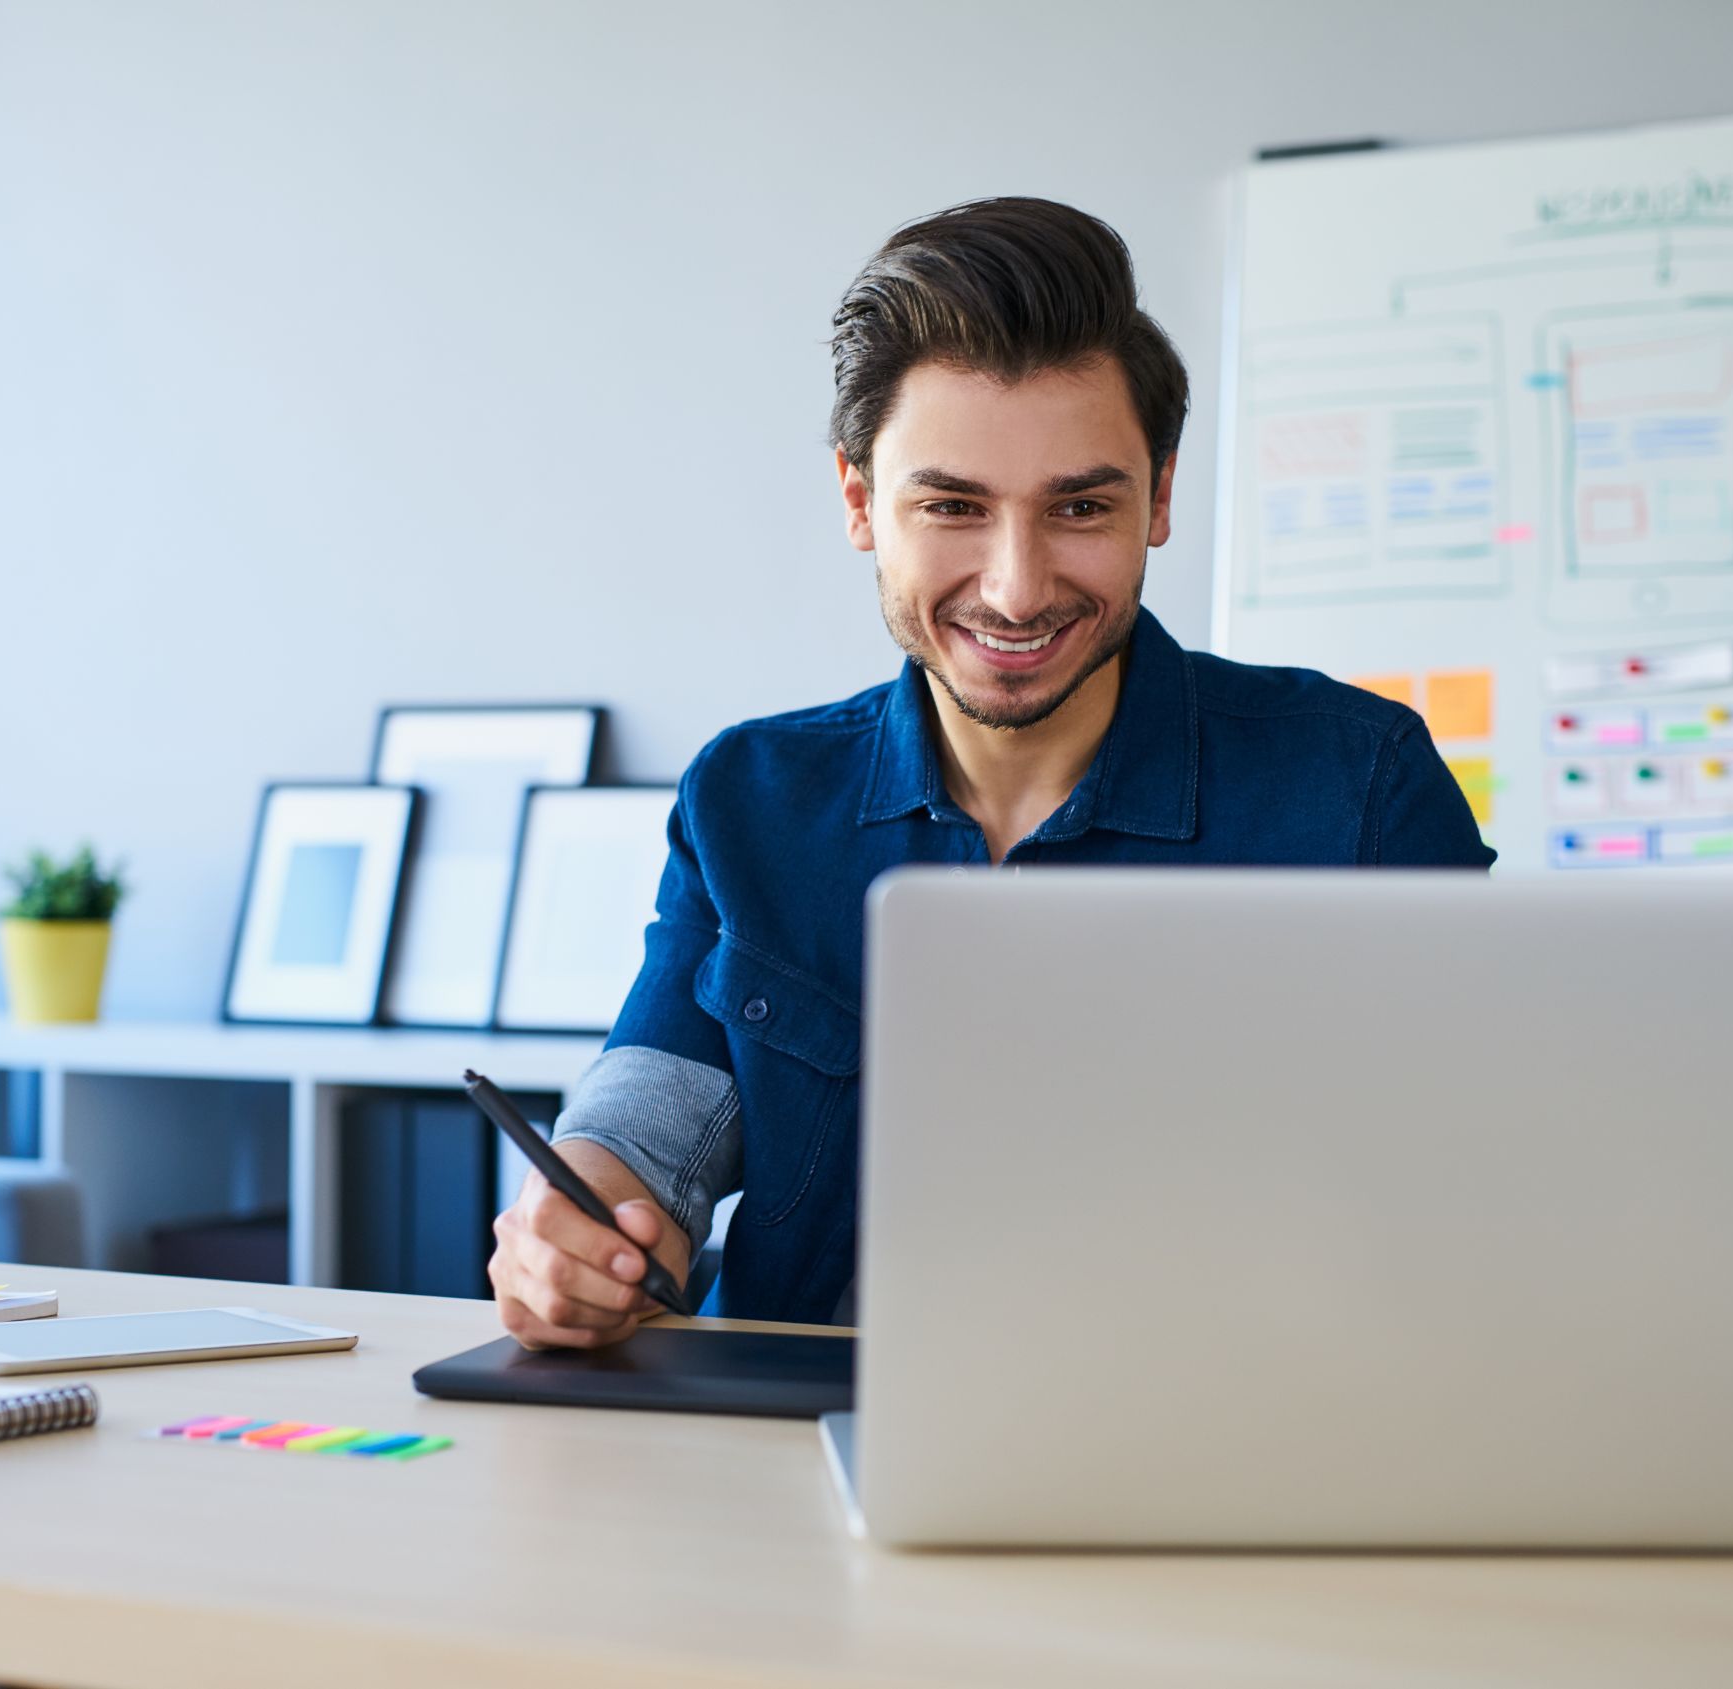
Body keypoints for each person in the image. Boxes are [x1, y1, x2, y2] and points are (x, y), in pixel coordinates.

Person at [489, 197, 1493, 1348]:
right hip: (804, 1434)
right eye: (953, 507)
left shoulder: (1360, 785)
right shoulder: (754, 796)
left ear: (1159, 499)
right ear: (863, 503)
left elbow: (1482, 1180)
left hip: (1242, 1436)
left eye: (1079, 507)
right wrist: (575, 1223)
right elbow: (653, 1115)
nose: (1017, 589)